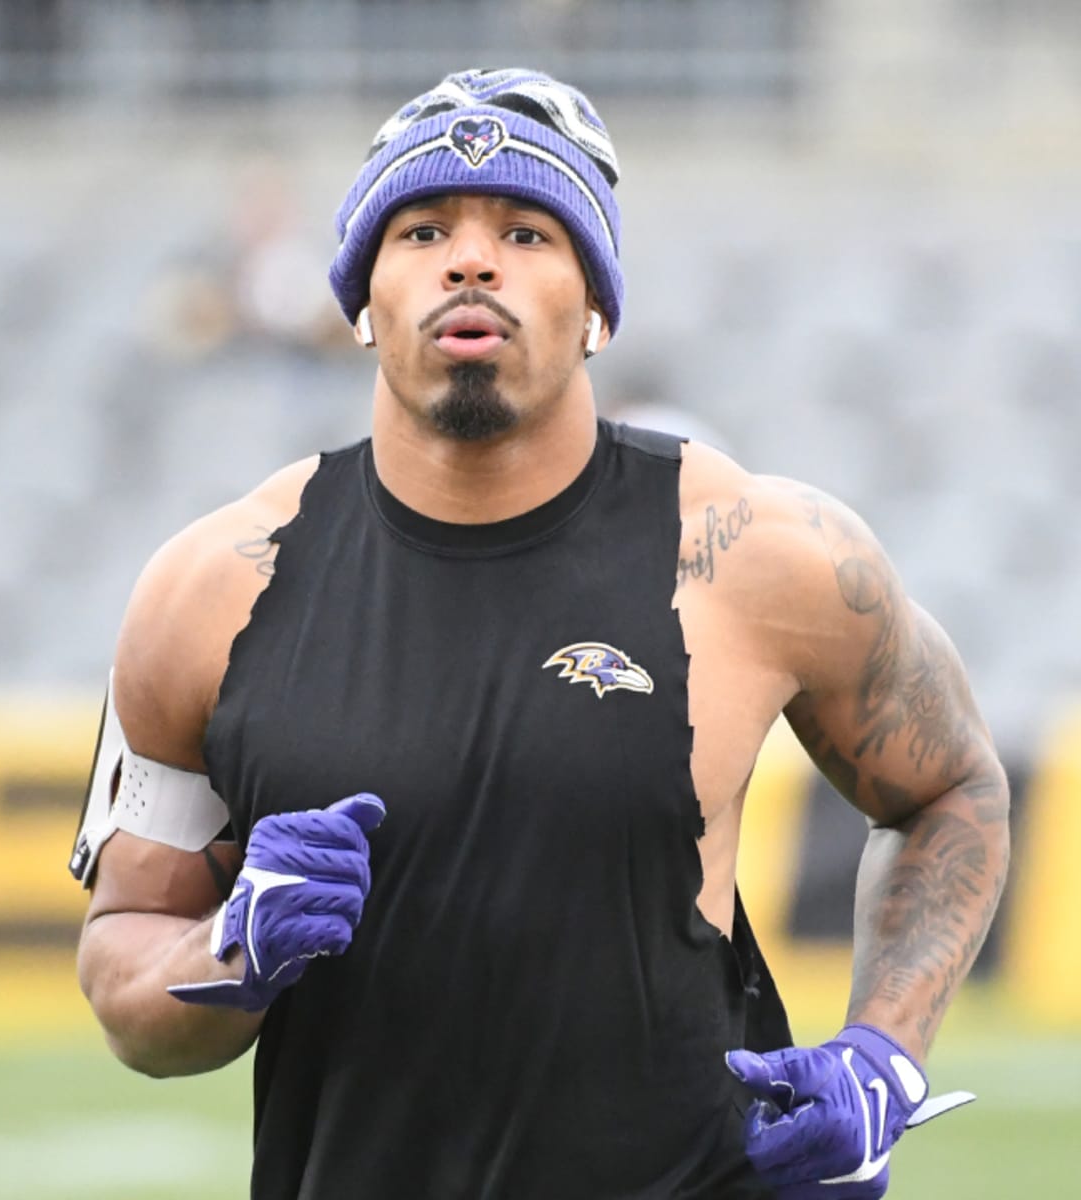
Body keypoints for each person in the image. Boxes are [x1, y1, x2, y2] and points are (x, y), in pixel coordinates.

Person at [71, 68, 1010, 1200]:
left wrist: (884, 1055)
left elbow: (954, 788)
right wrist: (229, 953)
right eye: (423, 230)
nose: (472, 261)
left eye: (527, 230)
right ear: (360, 300)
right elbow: (124, 971)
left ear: (600, 305)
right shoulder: (208, 592)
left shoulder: (765, 553)